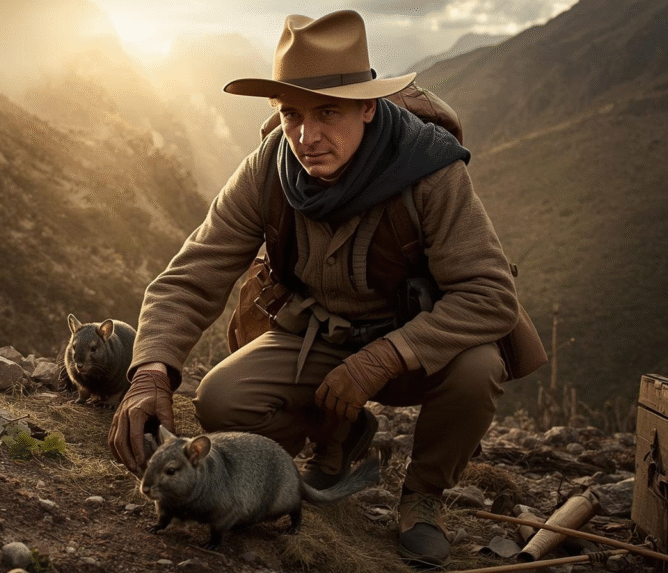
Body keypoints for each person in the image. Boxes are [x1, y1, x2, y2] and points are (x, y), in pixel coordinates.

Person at [109, 9, 522, 567]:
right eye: (291, 114)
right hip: (317, 338)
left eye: (327, 112)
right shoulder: (268, 168)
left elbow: (490, 295)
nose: (307, 136)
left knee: (478, 368)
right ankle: (338, 436)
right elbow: (194, 272)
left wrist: (382, 358)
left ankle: (423, 495)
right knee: (223, 401)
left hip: (417, 347)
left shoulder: (431, 171)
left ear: (367, 107)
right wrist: (151, 371)